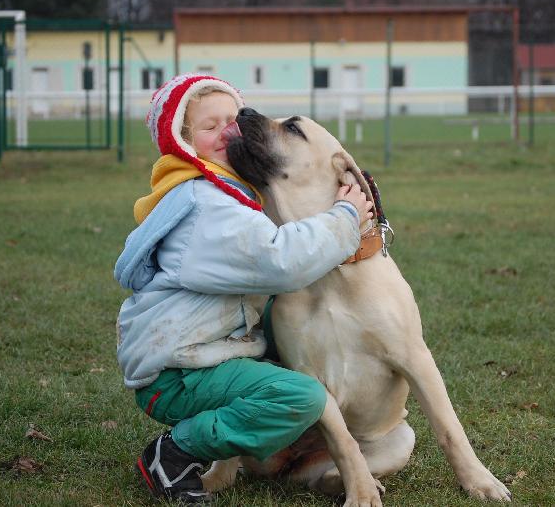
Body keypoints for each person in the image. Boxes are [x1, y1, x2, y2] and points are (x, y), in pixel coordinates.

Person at [113, 74, 373, 504]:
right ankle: (174, 453)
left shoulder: (221, 195)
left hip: (195, 356)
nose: (227, 132)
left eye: (233, 120)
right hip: (180, 371)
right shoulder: (206, 206)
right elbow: (281, 261)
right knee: (301, 396)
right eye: (209, 127)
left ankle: (217, 449)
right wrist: (345, 217)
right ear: (183, 142)